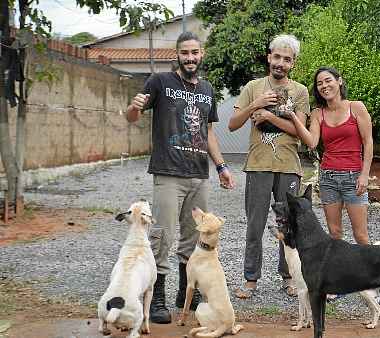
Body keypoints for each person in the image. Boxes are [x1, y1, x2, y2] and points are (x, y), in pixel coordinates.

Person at [125, 31, 234, 323]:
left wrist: (221, 167)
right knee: (163, 234)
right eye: (185, 52)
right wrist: (133, 108)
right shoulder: (160, 82)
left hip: (199, 174)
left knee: (193, 236)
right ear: (177, 54)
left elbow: (208, 133)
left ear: (202, 54)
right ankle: (157, 297)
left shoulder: (207, 89)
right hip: (168, 172)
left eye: (194, 52)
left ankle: (186, 293)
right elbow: (132, 116)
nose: (190, 58)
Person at [228, 34, 310, 299]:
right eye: (277, 57)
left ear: (293, 63)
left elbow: (299, 132)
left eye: (287, 59)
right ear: (269, 57)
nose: (281, 63)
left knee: (289, 224)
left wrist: (268, 118)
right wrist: (256, 105)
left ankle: (289, 277)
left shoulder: (300, 91)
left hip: (288, 166)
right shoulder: (253, 86)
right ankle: (251, 279)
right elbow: (232, 124)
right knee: (255, 224)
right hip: (258, 165)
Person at [287, 66, 373, 249]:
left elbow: (368, 142)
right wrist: (292, 116)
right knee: (334, 233)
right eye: (319, 83)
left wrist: (365, 174)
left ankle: (371, 275)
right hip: (328, 178)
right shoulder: (318, 113)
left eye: (328, 81)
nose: (324, 86)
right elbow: (311, 142)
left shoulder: (356, 107)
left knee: (361, 235)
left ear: (339, 81)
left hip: (354, 177)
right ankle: (339, 275)